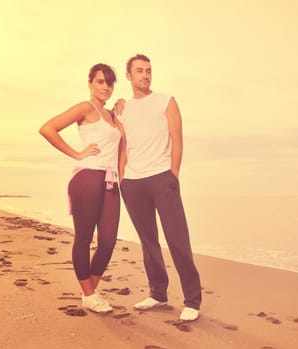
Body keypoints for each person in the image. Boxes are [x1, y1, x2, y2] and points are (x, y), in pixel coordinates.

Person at [115, 54, 202, 321]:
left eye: (149, 70)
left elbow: (177, 138)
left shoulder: (166, 101)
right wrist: (122, 178)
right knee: (148, 241)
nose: (145, 75)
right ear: (129, 76)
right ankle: (158, 293)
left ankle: (192, 300)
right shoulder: (122, 108)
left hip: (162, 177)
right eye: (139, 71)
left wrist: (172, 174)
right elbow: (122, 144)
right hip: (132, 182)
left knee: (177, 239)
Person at [39, 63, 124, 313]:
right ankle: (89, 293)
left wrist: (121, 105)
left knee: (108, 240)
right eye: (100, 81)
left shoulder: (112, 115)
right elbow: (47, 128)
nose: (106, 87)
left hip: (111, 180)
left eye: (109, 82)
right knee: (84, 239)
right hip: (88, 176)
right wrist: (77, 154)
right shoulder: (85, 108)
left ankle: (90, 292)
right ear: (90, 83)